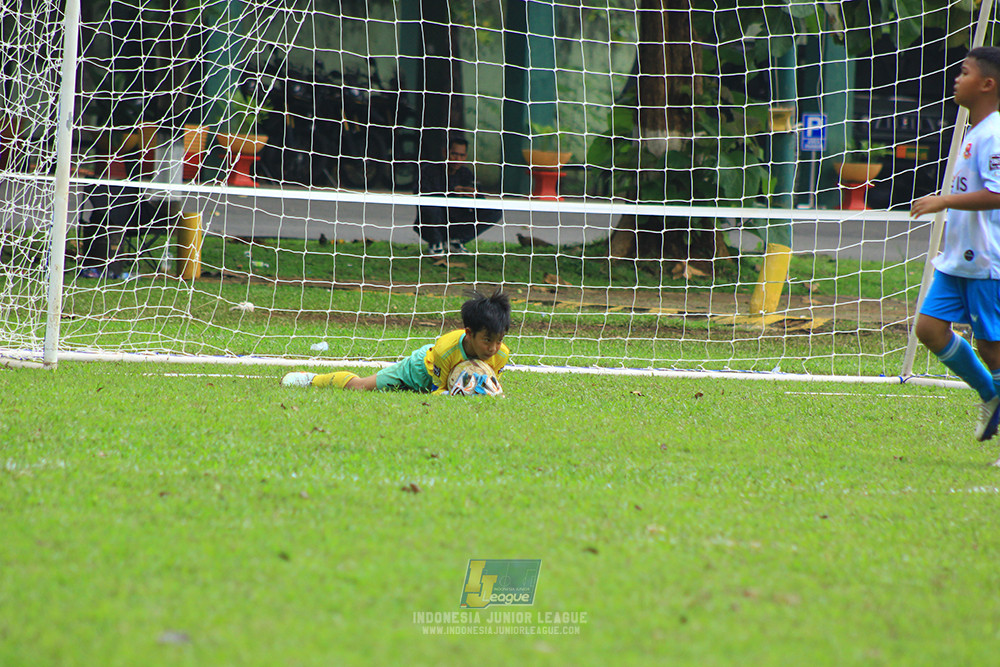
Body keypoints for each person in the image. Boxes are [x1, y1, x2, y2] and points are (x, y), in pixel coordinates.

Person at [910, 46, 1000, 447]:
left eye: (964, 72)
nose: (956, 79)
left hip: (986, 262)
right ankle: (991, 394)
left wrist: (943, 201)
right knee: (929, 329)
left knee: (993, 350)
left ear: (987, 84)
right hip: (957, 259)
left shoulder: (994, 134)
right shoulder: (974, 132)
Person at [281, 288, 511, 393]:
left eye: (499, 340)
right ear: (468, 333)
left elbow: (487, 384)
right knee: (360, 387)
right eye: (487, 340)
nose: (493, 348)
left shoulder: (501, 354)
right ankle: (312, 379)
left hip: (434, 376)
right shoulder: (446, 349)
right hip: (418, 370)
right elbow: (439, 391)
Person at [413, 137, 502, 256]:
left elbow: (481, 201)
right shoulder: (429, 170)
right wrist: (451, 192)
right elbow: (420, 195)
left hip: (457, 222)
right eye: (454, 154)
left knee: (494, 211)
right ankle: (436, 243)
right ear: (445, 152)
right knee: (431, 207)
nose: (457, 159)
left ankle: (455, 241)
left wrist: (473, 195)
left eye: (462, 155)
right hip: (433, 222)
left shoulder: (466, 174)